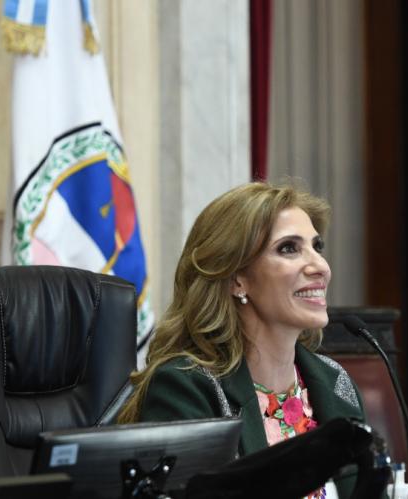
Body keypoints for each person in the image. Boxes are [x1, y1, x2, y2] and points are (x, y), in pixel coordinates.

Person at [118, 182, 368, 498]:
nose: (321, 266)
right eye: (289, 248)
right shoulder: (186, 388)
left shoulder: (335, 382)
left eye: (317, 247)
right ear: (237, 279)